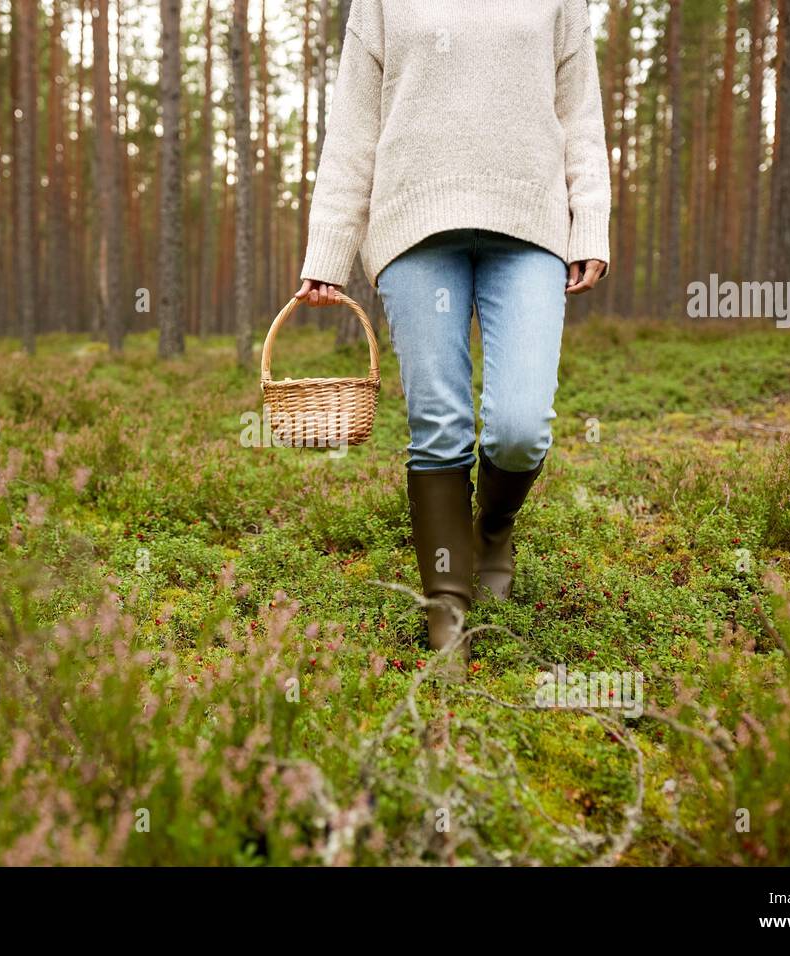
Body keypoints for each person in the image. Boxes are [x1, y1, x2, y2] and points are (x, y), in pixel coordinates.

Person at [295, 0, 610, 665]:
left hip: (529, 227)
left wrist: (591, 224)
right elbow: (353, 127)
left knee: (521, 426)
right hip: (414, 226)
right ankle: (447, 599)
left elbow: (580, 117)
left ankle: (492, 527)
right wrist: (328, 251)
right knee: (438, 423)